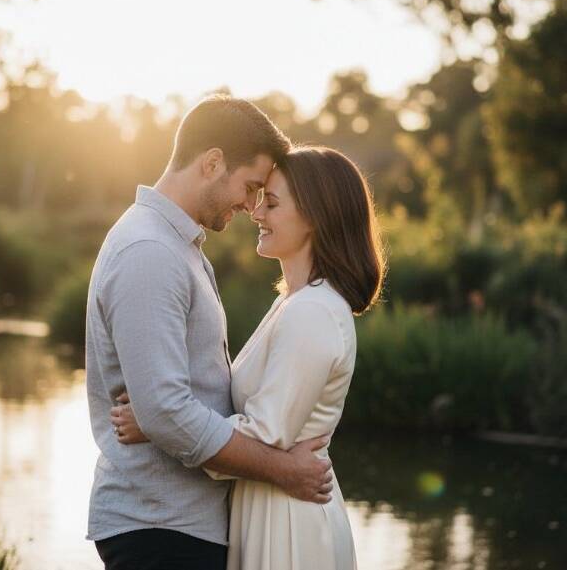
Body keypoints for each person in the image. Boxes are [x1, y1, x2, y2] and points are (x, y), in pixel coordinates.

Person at [85, 96, 336, 570]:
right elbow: (165, 410)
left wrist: (155, 419)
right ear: (213, 163)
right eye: (251, 187)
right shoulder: (150, 251)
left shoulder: (178, 248)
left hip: (180, 525)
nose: (251, 205)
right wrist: (284, 471)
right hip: (159, 528)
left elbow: (169, 405)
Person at [113, 145, 386, 570]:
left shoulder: (313, 311)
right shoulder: (292, 302)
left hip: (287, 521)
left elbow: (265, 435)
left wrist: (157, 422)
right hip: (266, 505)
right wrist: (164, 412)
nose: (256, 213)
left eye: (271, 203)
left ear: (315, 217)